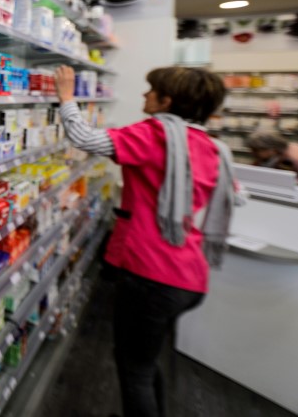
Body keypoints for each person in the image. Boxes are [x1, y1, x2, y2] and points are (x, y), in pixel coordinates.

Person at [54, 65, 239, 417]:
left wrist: (66, 97)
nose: (144, 95)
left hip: (151, 274)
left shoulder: (156, 135)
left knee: (133, 369)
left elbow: (85, 139)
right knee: (146, 360)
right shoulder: (209, 146)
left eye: (150, 90)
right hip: (189, 275)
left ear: (167, 101)